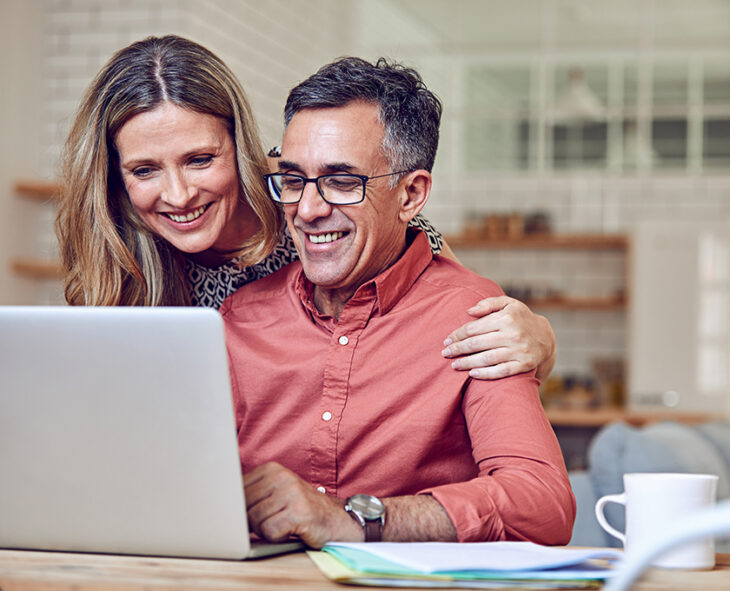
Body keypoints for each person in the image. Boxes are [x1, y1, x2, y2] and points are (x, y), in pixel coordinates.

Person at [54, 34, 556, 381]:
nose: (180, 194)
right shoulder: (114, 250)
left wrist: (543, 339)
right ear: (113, 175)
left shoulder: (315, 202)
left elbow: (464, 319)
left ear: (241, 144)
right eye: (144, 170)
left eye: (201, 159)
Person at [221, 57, 575, 548]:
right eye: (294, 179)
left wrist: (360, 519)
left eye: (342, 181)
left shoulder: (474, 315)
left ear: (411, 194)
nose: (306, 210)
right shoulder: (237, 318)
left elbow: (543, 506)